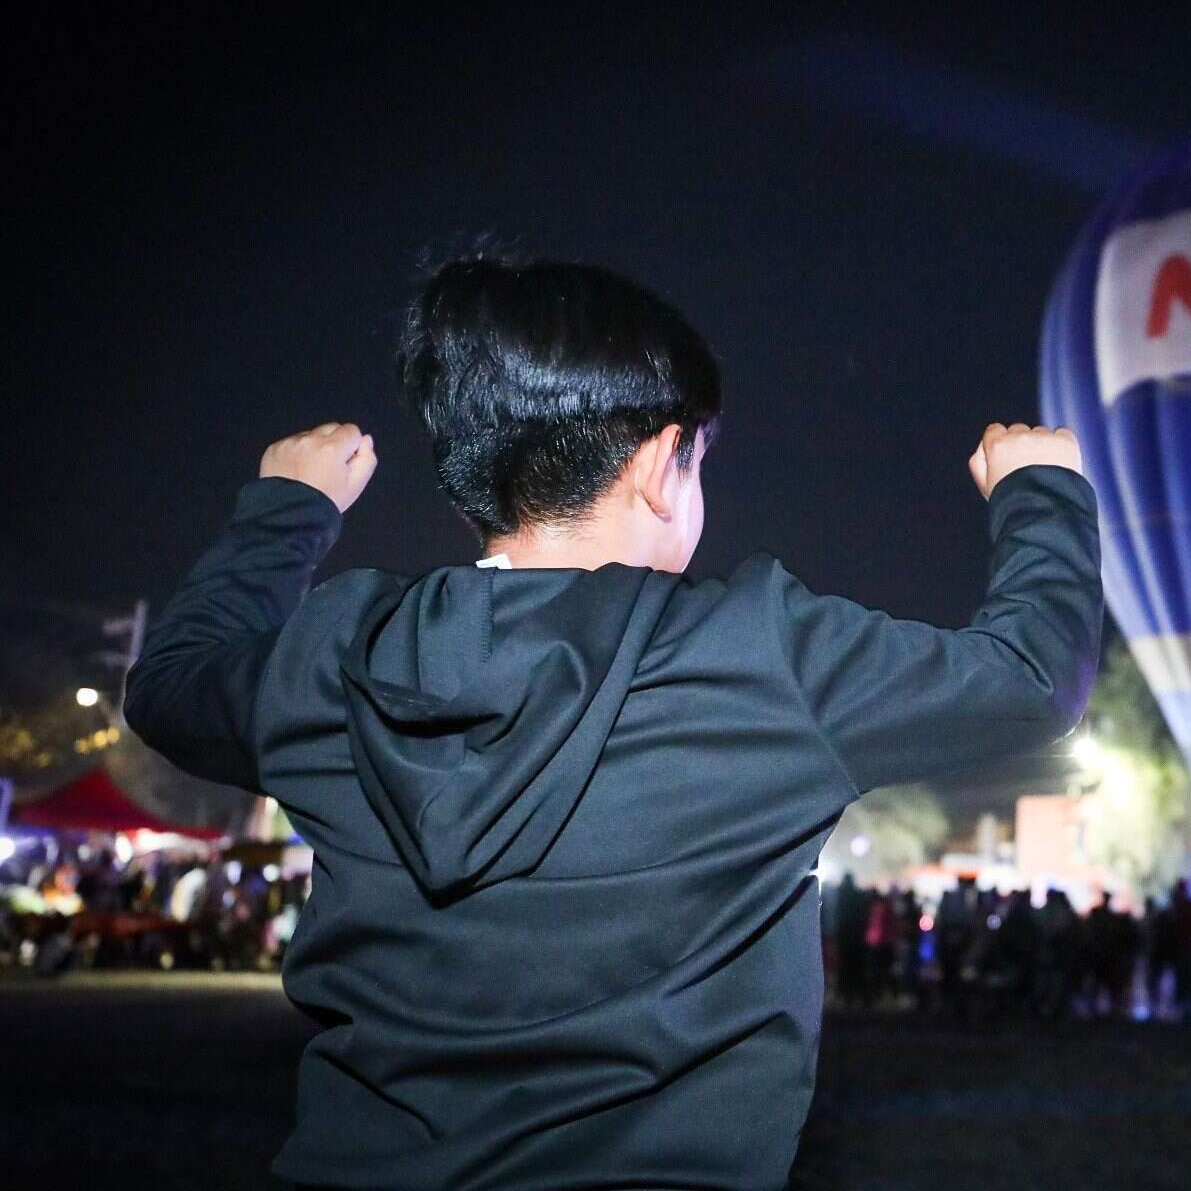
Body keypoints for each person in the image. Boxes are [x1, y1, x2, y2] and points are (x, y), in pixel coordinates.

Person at [123, 256, 1104, 1191]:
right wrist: (1042, 493)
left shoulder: (340, 652)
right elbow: (1031, 677)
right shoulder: (763, 655)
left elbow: (167, 685)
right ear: (660, 462)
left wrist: (286, 512)